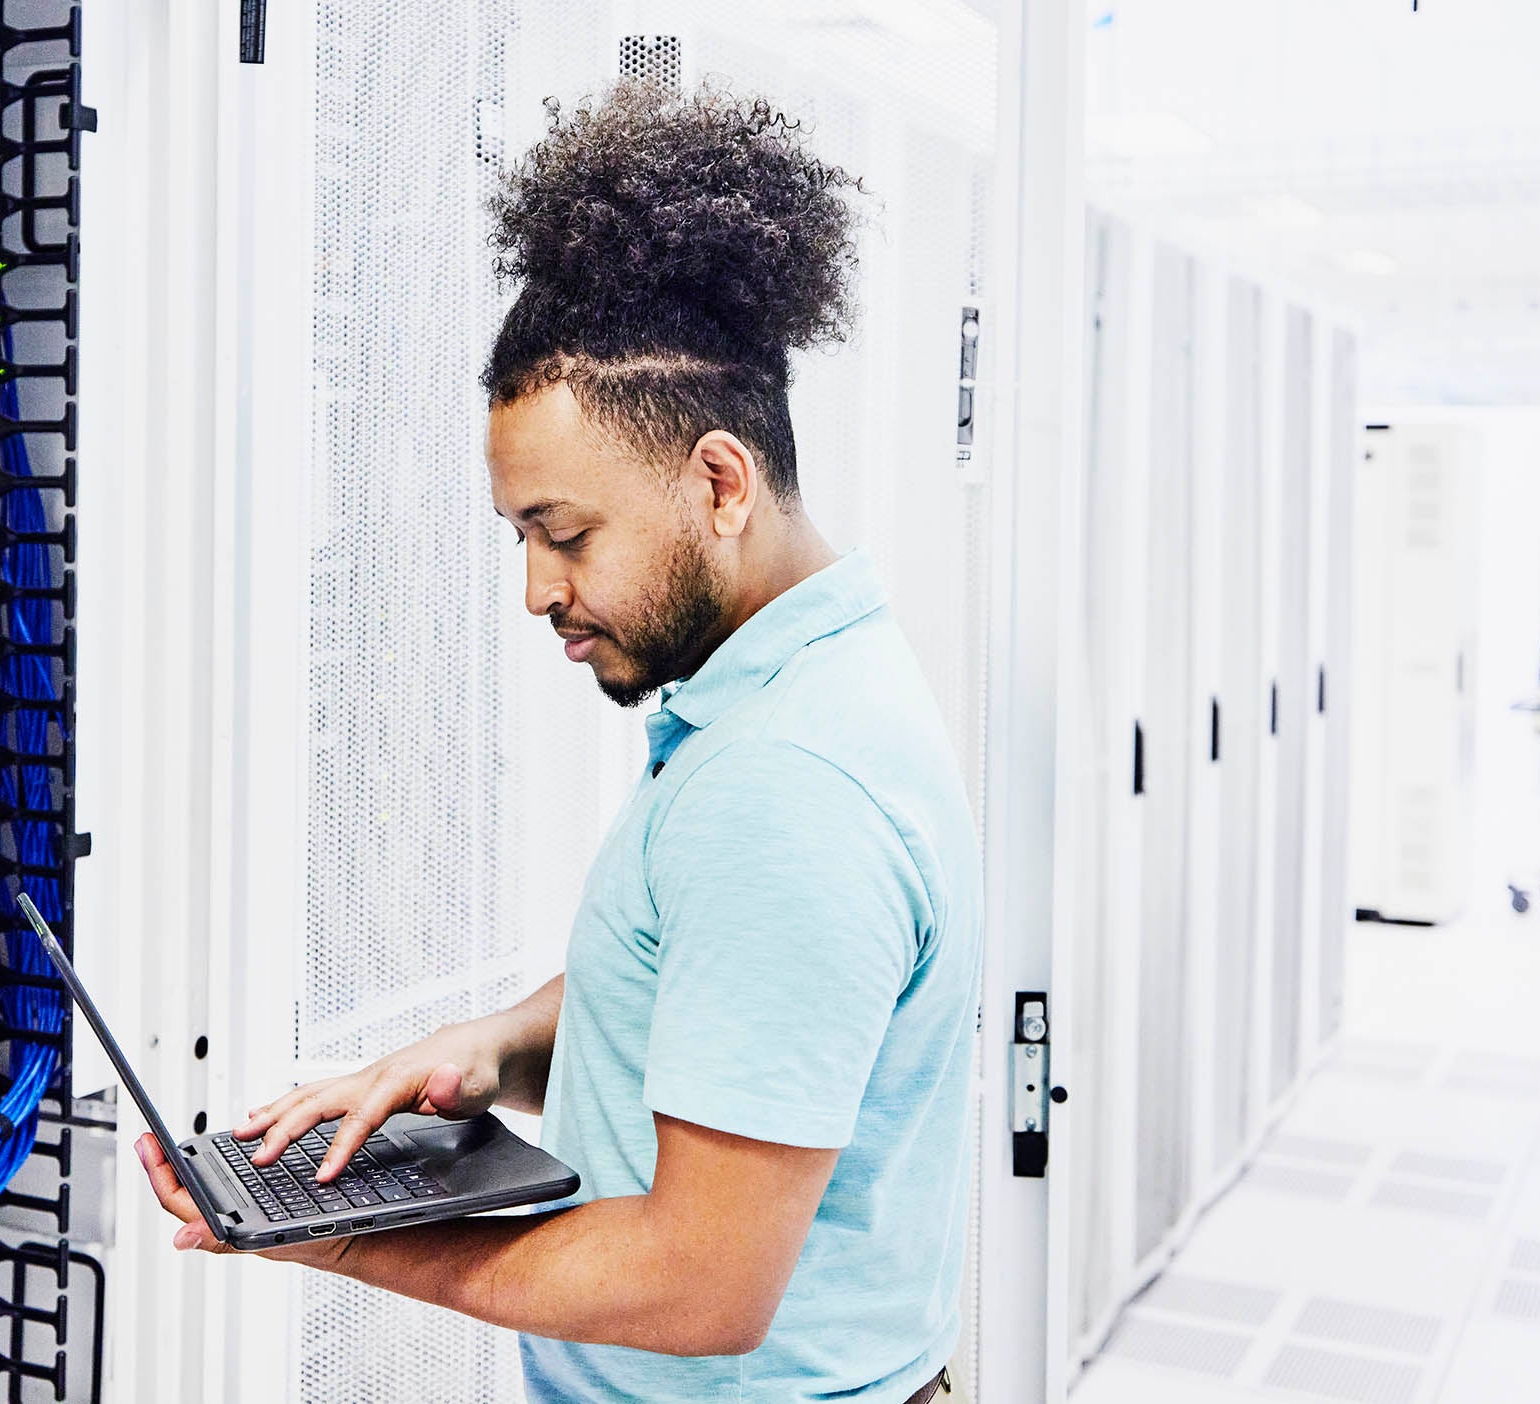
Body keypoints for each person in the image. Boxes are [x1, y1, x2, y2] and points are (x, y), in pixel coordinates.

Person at [136, 81, 982, 1404]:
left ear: (717, 483)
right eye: (522, 538)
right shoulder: (804, 684)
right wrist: (498, 1049)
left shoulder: (787, 788)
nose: (536, 590)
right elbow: (727, 1000)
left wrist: (350, 1235)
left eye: (564, 533)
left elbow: (700, 1283)